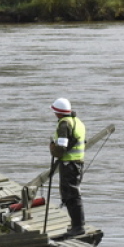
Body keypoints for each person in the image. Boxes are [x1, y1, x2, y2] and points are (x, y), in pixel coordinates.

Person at [49, 97, 86, 237]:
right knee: (73, 193)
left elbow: (61, 148)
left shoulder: (64, 124)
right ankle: (77, 225)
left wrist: (52, 147)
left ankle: (78, 227)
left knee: (71, 195)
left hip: (69, 164)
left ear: (58, 112)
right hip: (77, 163)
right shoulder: (77, 122)